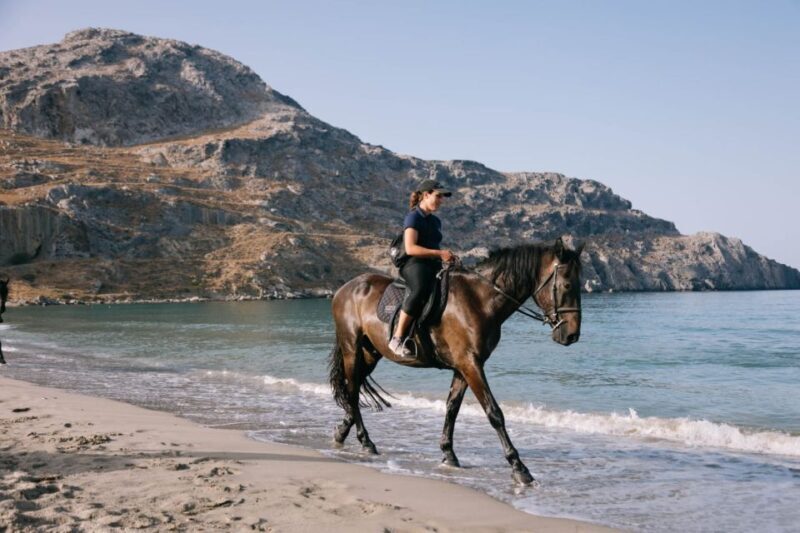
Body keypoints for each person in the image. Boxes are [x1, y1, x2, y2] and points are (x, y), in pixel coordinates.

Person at [389, 180, 458, 359]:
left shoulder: (435, 221)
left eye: (442, 197)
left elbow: (433, 247)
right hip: (413, 263)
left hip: (431, 263)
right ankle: (397, 338)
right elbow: (411, 248)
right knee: (420, 288)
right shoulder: (413, 218)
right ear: (426, 195)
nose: (441, 200)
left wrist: (446, 257)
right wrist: (439, 253)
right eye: (438, 196)